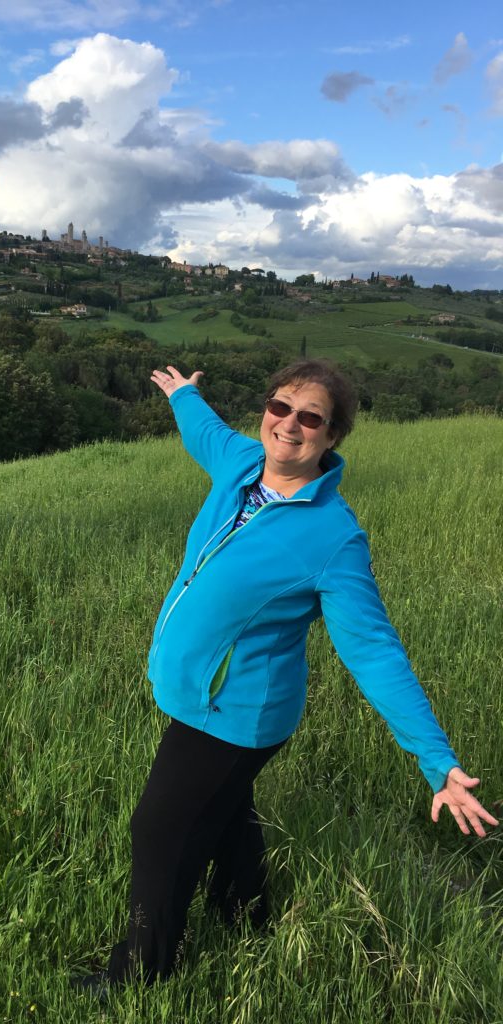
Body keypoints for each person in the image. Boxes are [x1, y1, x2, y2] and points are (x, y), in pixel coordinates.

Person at [73, 359, 498, 998]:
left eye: (310, 418)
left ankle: (139, 973)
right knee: (226, 807)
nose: (288, 425)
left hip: (235, 715)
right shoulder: (242, 467)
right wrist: (184, 395)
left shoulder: (333, 538)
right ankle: (248, 916)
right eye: (279, 407)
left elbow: (375, 652)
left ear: (331, 438)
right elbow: (206, 434)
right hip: (204, 697)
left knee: (159, 830)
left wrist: (435, 761)